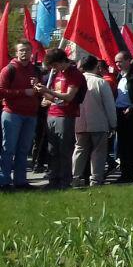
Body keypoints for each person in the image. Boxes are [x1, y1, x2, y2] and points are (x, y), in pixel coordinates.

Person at [33, 49, 84, 190]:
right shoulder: (57, 74)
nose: (53, 69)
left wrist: (48, 92)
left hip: (66, 116)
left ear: (61, 62)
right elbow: (56, 98)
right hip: (52, 114)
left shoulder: (74, 74)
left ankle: (64, 181)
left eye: (55, 65)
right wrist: (44, 94)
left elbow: (68, 97)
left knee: (64, 150)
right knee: (52, 150)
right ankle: (53, 180)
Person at [0, 41, 41, 190]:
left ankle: (20, 181)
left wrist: (39, 89)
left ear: (31, 53)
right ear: (16, 53)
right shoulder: (8, 69)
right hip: (12, 114)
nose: (24, 53)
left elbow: (39, 90)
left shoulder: (35, 70)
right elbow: (1, 91)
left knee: (23, 150)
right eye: (21, 50)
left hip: (30, 115)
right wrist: (24, 92)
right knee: (8, 149)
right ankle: (4, 182)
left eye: (27, 50)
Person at [72, 58, 117, 187]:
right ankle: (96, 179)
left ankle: (75, 177)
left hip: (79, 122)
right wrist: (113, 123)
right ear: (96, 66)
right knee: (98, 151)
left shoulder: (76, 81)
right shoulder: (101, 82)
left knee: (79, 149)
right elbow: (109, 105)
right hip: (98, 123)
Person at [112, 51, 133, 183]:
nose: (118, 64)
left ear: (128, 61)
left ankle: (129, 173)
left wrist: (132, 107)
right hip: (119, 112)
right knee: (121, 144)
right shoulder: (118, 76)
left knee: (130, 145)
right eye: (116, 62)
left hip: (131, 114)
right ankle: (123, 172)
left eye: (120, 61)